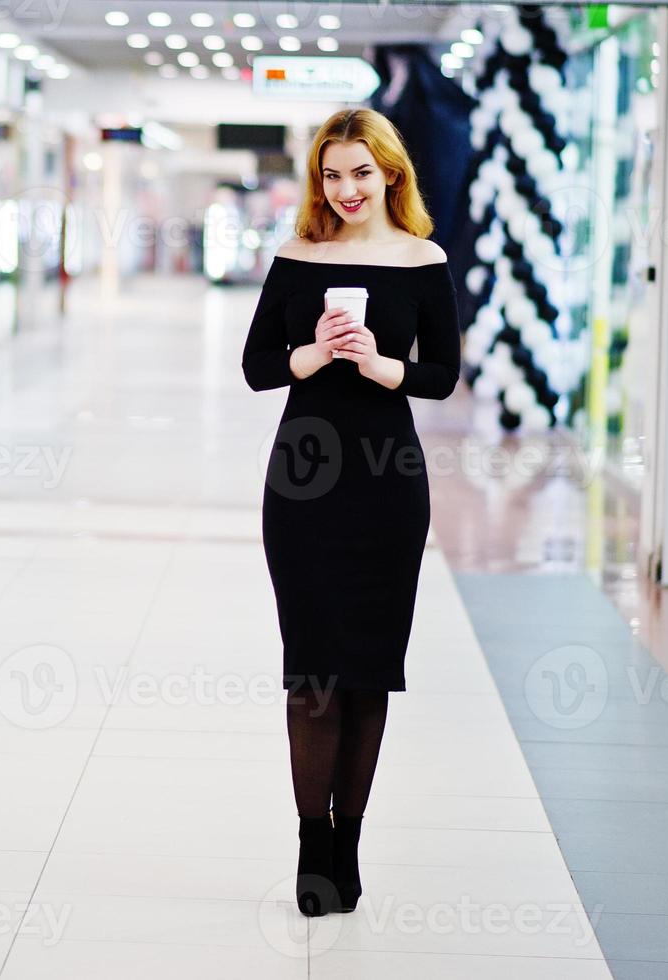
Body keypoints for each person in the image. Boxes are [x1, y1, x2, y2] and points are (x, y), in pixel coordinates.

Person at [240, 107, 462, 917]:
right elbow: (257, 365)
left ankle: (348, 843)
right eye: (331, 175)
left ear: (390, 174)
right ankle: (309, 845)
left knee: (368, 673)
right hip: (300, 485)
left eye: (359, 173)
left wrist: (380, 366)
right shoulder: (296, 256)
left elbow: (442, 373)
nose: (344, 190)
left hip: (386, 484)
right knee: (311, 677)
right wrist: (312, 354)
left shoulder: (422, 259)